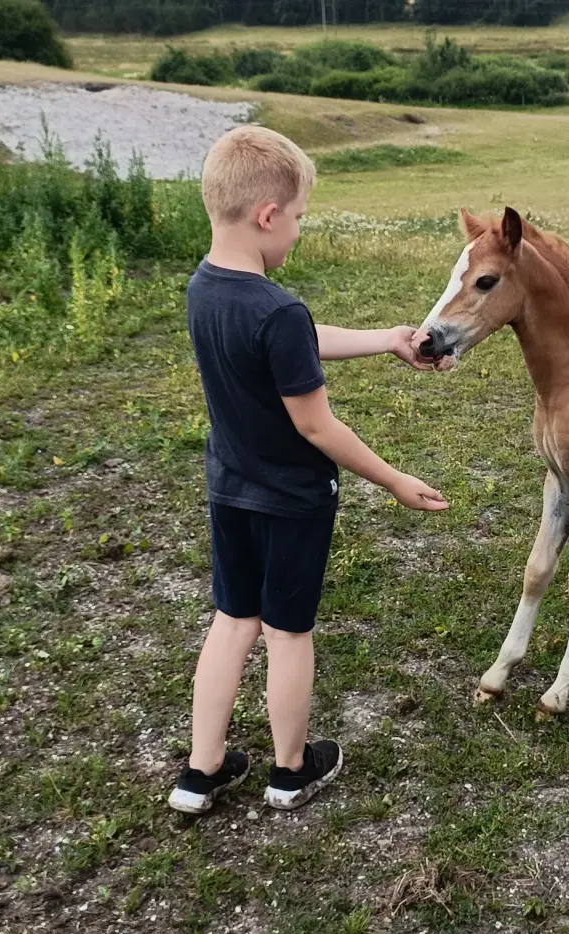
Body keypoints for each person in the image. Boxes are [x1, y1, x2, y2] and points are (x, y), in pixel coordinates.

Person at [168, 125, 449, 815]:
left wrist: (386, 340)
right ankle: (290, 771)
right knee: (289, 631)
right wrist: (392, 480)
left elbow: (291, 339)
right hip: (292, 500)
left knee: (232, 620)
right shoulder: (278, 309)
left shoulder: (205, 288)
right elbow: (316, 424)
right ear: (267, 215)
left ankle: (201, 773)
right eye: (297, 219)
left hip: (229, 491)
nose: (297, 231)